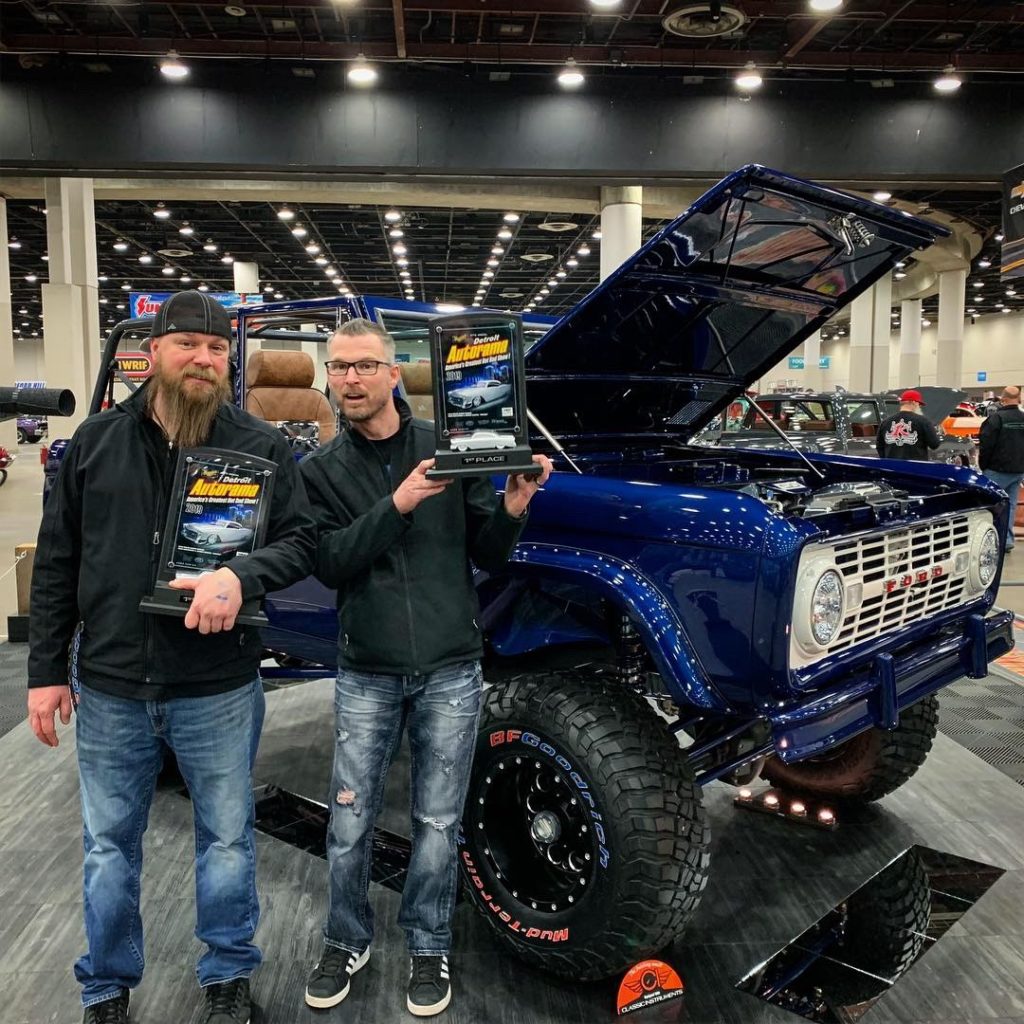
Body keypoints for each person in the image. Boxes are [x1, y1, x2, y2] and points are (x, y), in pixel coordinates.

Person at [26, 290, 317, 1024]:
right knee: (108, 849)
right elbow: (59, 564)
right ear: (151, 354)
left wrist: (238, 575)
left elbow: (301, 541)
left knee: (225, 840)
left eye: (217, 349)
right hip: (113, 685)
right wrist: (45, 673)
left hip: (217, 684)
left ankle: (227, 978)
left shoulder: (260, 444)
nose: (204, 358)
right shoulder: (93, 443)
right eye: (188, 343)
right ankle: (106, 988)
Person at [298, 319, 552, 1018]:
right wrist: (399, 505)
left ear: (392, 374)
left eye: (362, 366)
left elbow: (491, 552)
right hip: (367, 669)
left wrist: (512, 509)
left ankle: (429, 942)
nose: (349, 379)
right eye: (339, 368)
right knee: (348, 822)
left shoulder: (449, 444)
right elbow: (329, 562)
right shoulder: (319, 472)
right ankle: (345, 938)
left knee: (439, 823)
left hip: (449, 667)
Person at [979, 385, 1024, 552]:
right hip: (1018, 471)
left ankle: (989, 542)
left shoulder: (996, 419)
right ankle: (1007, 541)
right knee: (1010, 506)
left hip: (996, 470)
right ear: (1019, 399)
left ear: (1002, 399)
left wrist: (984, 467)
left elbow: (986, 446)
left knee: (989, 506)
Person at [875, 389, 941, 461]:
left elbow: (879, 446)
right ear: (914, 402)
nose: (919, 407)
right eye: (919, 404)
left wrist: (888, 461)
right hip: (915, 469)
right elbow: (934, 444)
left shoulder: (885, 422)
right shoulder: (923, 421)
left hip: (892, 468)